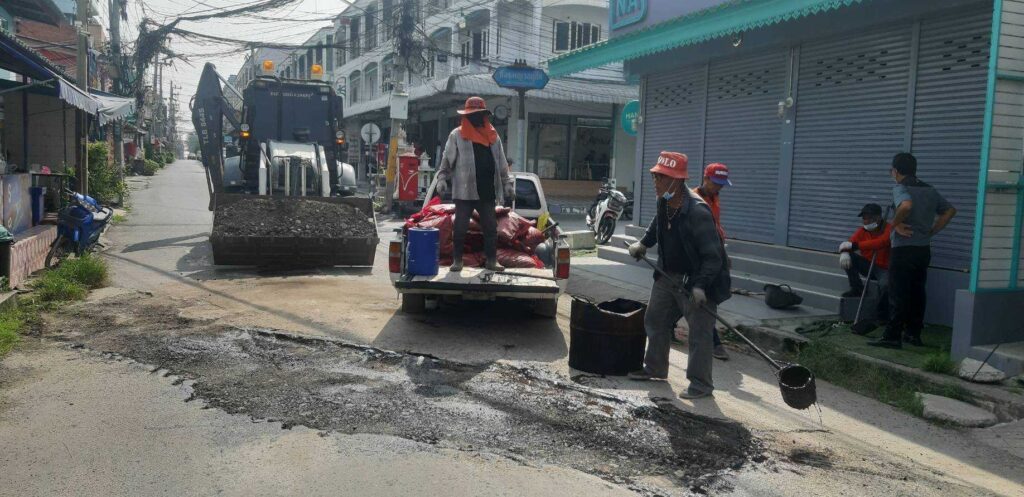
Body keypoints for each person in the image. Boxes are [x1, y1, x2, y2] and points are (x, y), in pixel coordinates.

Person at [627, 151, 731, 400]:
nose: (656, 182)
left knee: (700, 333)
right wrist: (643, 243)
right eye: (655, 176)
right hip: (668, 275)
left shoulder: (698, 212)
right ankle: (655, 367)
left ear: (677, 180)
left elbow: (713, 257)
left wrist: (700, 286)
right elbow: (658, 224)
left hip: (699, 280)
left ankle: (701, 385)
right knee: (655, 319)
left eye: (661, 178)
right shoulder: (664, 200)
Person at [869, 153, 956, 348]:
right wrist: (932, 231)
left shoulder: (900, 187)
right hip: (923, 249)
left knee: (898, 292)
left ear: (895, 171)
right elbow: (950, 210)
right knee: (918, 292)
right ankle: (913, 334)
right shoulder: (930, 190)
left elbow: (906, 205)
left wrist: (894, 224)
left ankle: (892, 336)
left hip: (903, 249)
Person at [435, 96, 515, 273]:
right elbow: (446, 160)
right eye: (472, 114)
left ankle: (492, 261)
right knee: (460, 228)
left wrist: (507, 183)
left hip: (487, 190)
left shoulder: (493, 136)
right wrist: (442, 179)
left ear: (484, 115)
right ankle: (457, 261)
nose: (476, 117)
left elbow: (502, 162)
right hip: (464, 191)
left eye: (479, 114)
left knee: (490, 228)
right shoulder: (457, 135)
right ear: (466, 116)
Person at [692, 162, 732, 361]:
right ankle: (715, 342)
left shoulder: (715, 198)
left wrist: (723, 253)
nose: (719, 187)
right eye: (716, 183)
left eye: (722, 184)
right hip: (696, 257)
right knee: (704, 298)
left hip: (712, 253)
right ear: (705, 178)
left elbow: (716, 228)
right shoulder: (693, 199)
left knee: (696, 297)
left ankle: (670, 324)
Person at [839, 203, 892, 297]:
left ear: (878, 218)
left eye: (869, 218)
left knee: (885, 286)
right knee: (849, 257)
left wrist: (856, 246)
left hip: (885, 269)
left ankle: (883, 306)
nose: (865, 221)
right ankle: (857, 289)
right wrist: (844, 252)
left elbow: (882, 242)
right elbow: (848, 244)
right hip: (868, 265)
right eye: (864, 218)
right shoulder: (862, 231)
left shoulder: (889, 229)